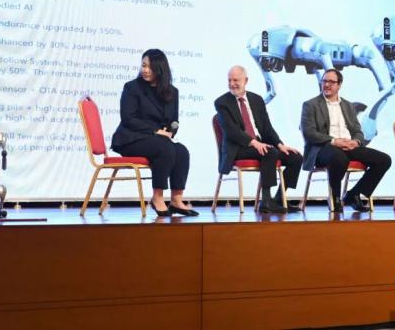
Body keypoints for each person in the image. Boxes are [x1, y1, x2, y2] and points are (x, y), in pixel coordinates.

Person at [111, 49, 198, 217]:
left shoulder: (172, 92)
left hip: (157, 140)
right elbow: (128, 119)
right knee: (164, 147)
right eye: (143, 65)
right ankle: (157, 198)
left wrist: (170, 131)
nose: (145, 70)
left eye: (150, 67)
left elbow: (174, 121)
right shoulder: (132, 88)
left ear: (160, 69)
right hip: (131, 139)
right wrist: (156, 131)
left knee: (181, 151)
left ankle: (176, 200)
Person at [215, 66, 303, 213]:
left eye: (235, 80)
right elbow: (232, 132)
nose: (232, 84)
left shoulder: (256, 100)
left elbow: (267, 128)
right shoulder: (222, 102)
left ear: (246, 81)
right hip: (237, 148)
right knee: (269, 152)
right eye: (229, 80)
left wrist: (280, 145)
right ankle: (266, 201)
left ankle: (279, 199)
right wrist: (254, 142)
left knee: (295, 157)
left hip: (259, 145)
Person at [301, 69, 391, 212]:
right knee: (339, 157)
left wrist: (356, 142)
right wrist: (334, 141)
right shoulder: (310, 105)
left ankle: (353, 194)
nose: (327, 85)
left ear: (339, 85)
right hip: (323, 148)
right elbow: (309, 133)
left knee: (384, 160)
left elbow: (357, 131)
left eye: (331, 82)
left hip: (348, 146)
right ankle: (336, 197)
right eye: (324, 81)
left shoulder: (348, 105)